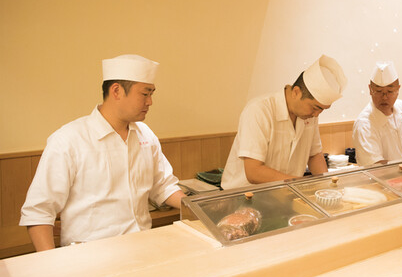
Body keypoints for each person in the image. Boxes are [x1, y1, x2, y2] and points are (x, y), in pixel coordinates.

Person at [20, 54, 186, 251]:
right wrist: (50, 263)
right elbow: (38, 212)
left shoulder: (145, 135)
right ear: (116, 91)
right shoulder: (68, 140)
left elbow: (163, 186)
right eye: (144, 94)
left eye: (152, 94)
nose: (150, 102)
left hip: (143, 247)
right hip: (89, 255)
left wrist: (202, 207)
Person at [221, 55, 347, 190]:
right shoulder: (259, 110)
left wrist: (327, 186)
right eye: (315, 108)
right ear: (296, 92)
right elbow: (254, 172)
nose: (316, 114)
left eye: (322, 110)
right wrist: (300, 184)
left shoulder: (310, 115)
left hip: (285, 192)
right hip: (243, 194)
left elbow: (314, 155)